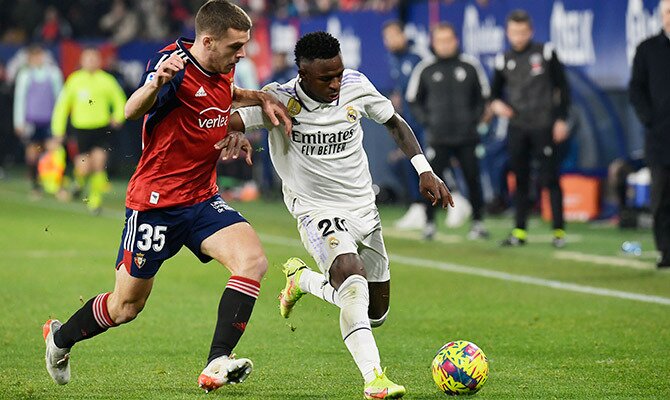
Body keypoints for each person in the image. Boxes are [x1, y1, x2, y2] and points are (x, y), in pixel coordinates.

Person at [42, 0, 292, 393]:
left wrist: (258, 98)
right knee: (126, 307)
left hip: (202, 198)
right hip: (155, 205)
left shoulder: (222, 64)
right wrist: (156, 82)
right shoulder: (173, 68)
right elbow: (130, 109)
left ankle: (217, 361)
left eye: (243, 45)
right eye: (235, 46)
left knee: (253, 261)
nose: (242, 52)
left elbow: (222, 95)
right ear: (207, 41)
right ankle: (59, 340)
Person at [220, 31, 452, 399]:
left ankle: (304, 281)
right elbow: (220, 121)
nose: (335, 83)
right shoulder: (278, 99)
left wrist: (424, 168)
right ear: (302, 73)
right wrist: (233, 132)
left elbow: (394, 122)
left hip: (363, 209)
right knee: (350, 275)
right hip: (316, 211)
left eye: (338, 74)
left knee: (374, 314)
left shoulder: (356, 85)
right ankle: (374, 379)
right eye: (325, 77)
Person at [490, 9, 571, 248]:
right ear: (507, 32)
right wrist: (496, 105)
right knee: (521, 178)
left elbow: (563, 88)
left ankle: (558, 231)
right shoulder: (502, 59)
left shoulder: (545, 53)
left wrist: (561, 119)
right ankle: (520, 231)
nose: (519, 36)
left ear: (531, 31)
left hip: (544, 126)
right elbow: (494, 93)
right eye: (514, 32)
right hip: (517, 127)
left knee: (549, 178)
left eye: (523, 32)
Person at [406, 22, 489, 240]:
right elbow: (413, 100)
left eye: (448, 40)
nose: (444, 45)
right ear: (434, 43)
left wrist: (474, 120)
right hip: (438, 137)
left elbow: (484, 96)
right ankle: (430, 223)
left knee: (473, 179)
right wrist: (428, 121)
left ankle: (478, 222)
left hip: (467, 136)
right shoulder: (425, 68)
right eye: (440, 40)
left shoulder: (470, 65)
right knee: (431, 180)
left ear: (456, 40)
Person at [50, 47, 127, 213]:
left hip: (101, 128)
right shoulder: (75, 80)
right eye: (88, 59)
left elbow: (119, 100)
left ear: (99, 61)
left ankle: (95, 201)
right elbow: (62, 106)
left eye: (94, 59)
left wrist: (118, 117)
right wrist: (58, 129)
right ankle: (78, 183)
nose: (91, 62)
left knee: (99, 163)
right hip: (81, 129)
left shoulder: (107, 80)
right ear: (82, 61)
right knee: (84, 168)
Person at [629, 0, 670, 268]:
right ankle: (666, 251)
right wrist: (651, 120)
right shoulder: (647, 49)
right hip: (661, 139)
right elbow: (636, 90)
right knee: (662, 198)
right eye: (668, 11)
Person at [382, 20, 427, 230]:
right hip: (407, 119)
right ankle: (417, 207)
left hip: (425, 120)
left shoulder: (418, 56)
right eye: (386, 38)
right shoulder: (394, 59)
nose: (389, 42)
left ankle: (452, 202)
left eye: (392, 36)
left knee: (429, 162)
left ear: (402, 35)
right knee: (410, 162)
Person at [12, 44, 62, 197]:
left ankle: (56, 186)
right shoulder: (25, 75)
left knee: (53, 153)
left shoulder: (54, 73)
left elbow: (60, 98)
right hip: (32, 121)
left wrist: (59, 123)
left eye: (39, 56)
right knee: (32, 155)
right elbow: (20, 99)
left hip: (49, 120)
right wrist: (18, 121)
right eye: (34, 57)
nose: (37, 59)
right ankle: (35, 186)